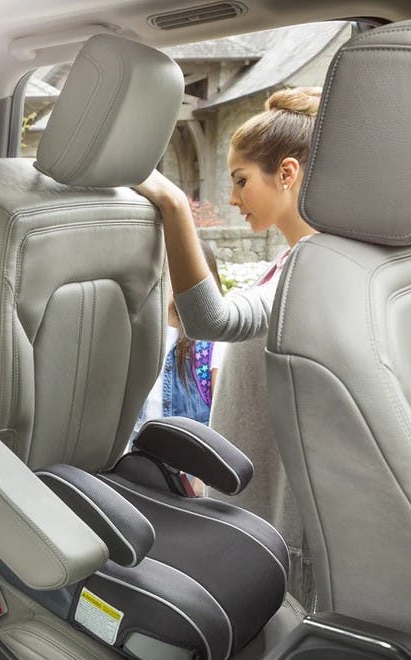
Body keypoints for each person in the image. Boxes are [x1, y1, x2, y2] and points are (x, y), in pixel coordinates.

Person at [133, 87, 321, 608]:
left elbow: (209, 320)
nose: (234, 199)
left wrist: (172, 203)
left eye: (241, 180)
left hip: (280, 523)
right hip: (258, 507)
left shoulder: (312, 267)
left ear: (287, 174)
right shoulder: (293, 261)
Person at [134, 241, 226, 434]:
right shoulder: (136, 336)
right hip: (140, 451)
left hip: (190, 451)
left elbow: (225, 421)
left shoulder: (211, 345)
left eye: (166, 272)